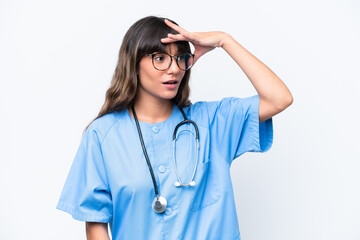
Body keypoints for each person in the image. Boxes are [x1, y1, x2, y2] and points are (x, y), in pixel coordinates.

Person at [56, 16, 293, 240]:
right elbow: (95, 223)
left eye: (180, 58)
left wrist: (224, 40)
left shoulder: (212, 122)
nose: (174, 69)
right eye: (159, 58)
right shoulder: (103, 135)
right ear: (134, 64)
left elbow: (279, 98)